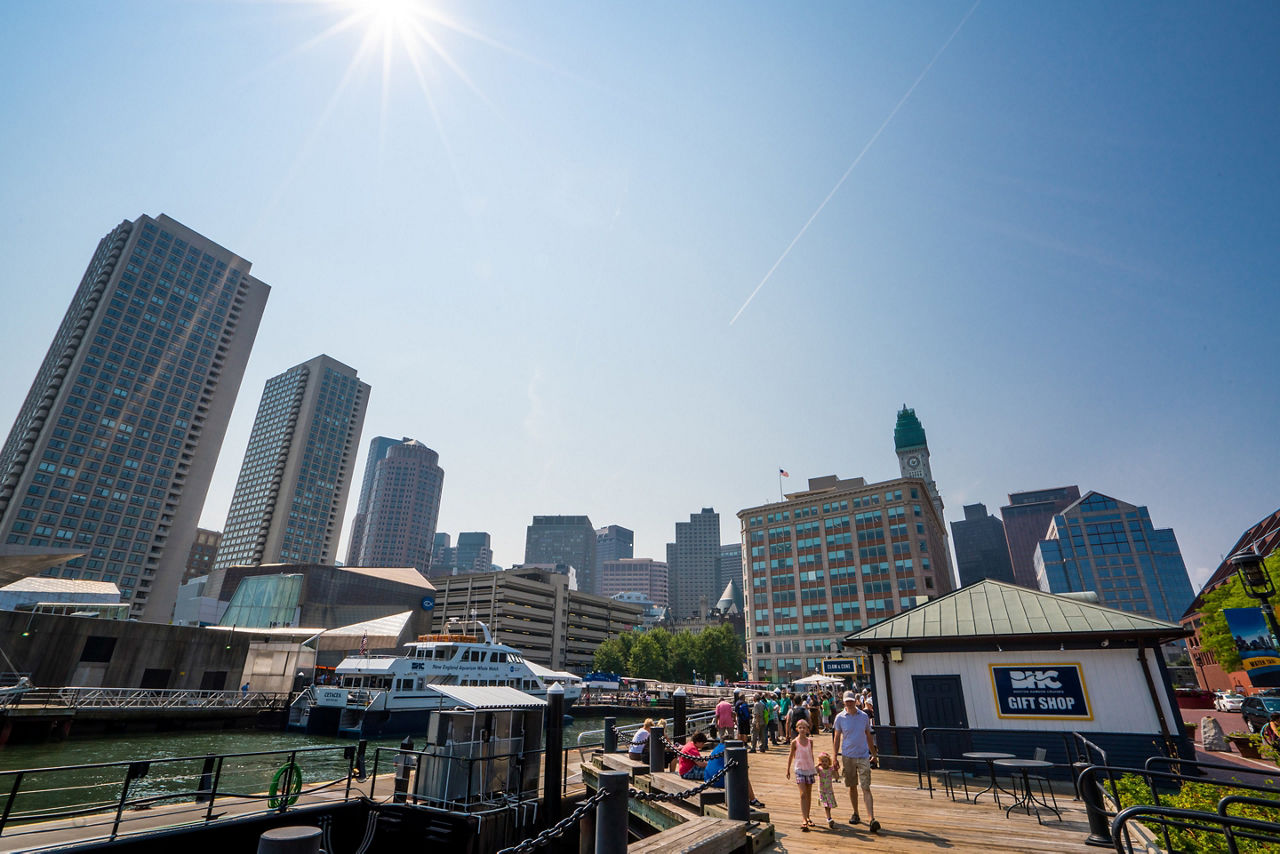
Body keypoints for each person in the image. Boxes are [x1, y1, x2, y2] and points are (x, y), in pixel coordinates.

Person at [833, 690, 879, 832]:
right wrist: (834, 757)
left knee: (866, 787)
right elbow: (836, 737)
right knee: (852, 786)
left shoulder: (864, 716)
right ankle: (856, 813)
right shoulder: (840, 717)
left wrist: (874, 754)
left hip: (863, 755)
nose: (849, 703)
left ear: (855, 701)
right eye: (847, 701)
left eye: (851, 700)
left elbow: (868, 735)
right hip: (848, 756)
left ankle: (872, 818)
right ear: (844, 702)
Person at [705, 738, 766, 808]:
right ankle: (753, 800)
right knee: (743, 775)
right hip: (719, 780)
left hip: (708, 779)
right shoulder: (731, 749)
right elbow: (743, 768)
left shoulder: (716, 748)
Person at [786, 719, 819, 830]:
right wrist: (788, 769)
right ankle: (804, 818)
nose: (802, 729)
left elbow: (811, 755)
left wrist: (815, 768)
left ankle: (808, 817)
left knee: (808, 795)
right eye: (800, 727)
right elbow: (791, 756)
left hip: (809, 769)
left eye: (804, 727)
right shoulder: (794, 742)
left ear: (807, 729)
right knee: (803, 794)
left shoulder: (810, 742)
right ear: (797, 729)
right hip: (799, 769)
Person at [816, 751, 839, 829]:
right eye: (822, 761)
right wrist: (817, 765)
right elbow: (814, 772)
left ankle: (829, 817)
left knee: (829, 805)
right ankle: (829, 818)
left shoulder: (830, 769)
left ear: (829, 762)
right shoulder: (819, 769)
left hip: (829, 790)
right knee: (826, 805)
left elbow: (837, 777)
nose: (824, 763)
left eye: (826, 761)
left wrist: (836, 770)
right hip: (822, 791)